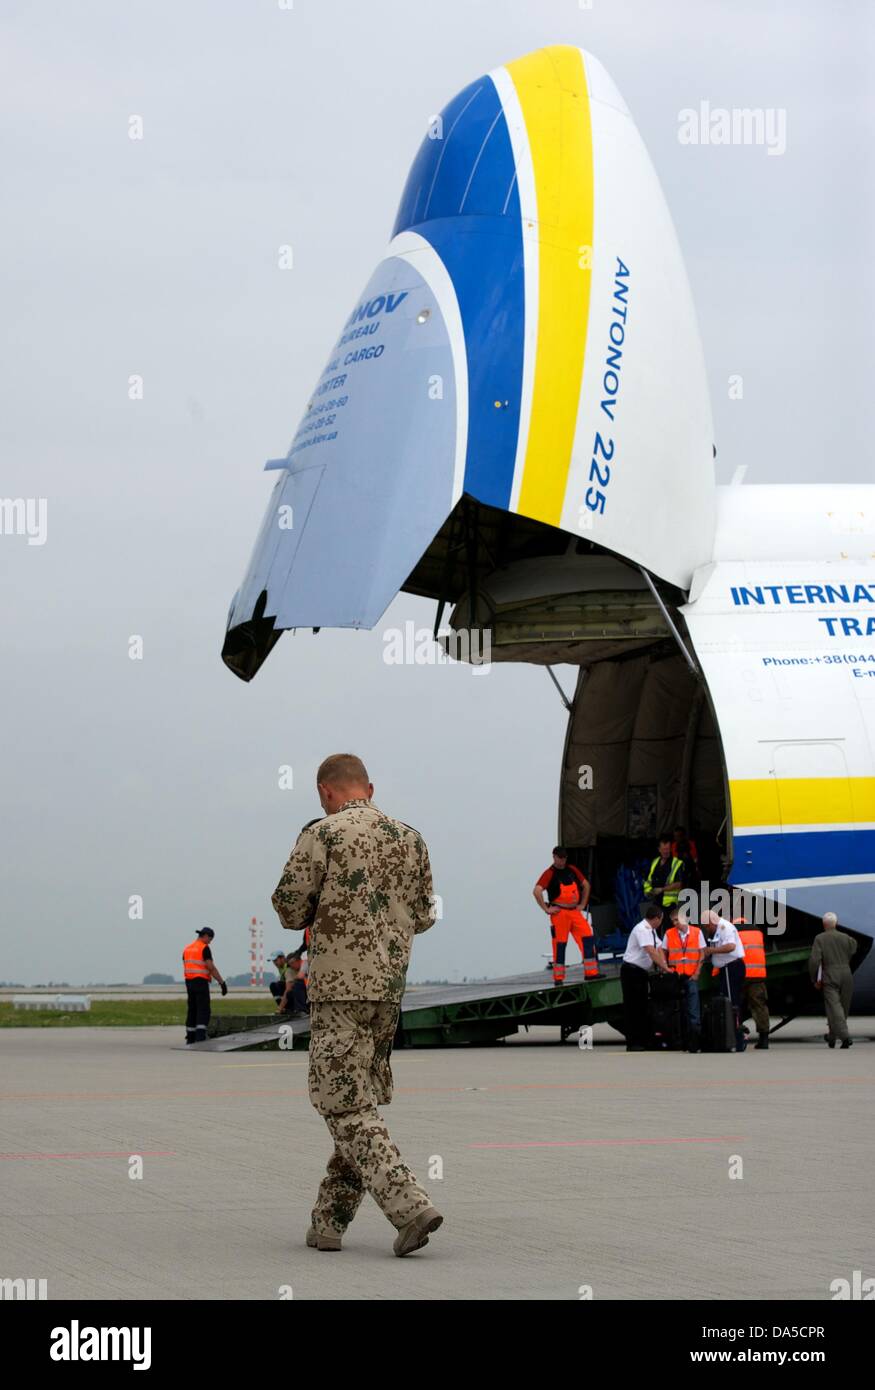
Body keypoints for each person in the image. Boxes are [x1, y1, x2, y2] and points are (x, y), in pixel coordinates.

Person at [271, 753, 442, 1257]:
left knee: (341, 1103)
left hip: (339, 990)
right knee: (358, 1099)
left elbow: (288, 907)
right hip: (388, 989)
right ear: (368, 786)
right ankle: (328, 1222)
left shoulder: (323, 834)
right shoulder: (410, 838)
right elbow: (425, 915)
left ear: (326, 792)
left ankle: (410, 1206)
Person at [533, 846, 597, 984]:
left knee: (587, 938)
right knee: (560, 945)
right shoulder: (549, 873)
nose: (562, 861)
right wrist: (546, 909)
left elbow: (586, 885)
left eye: (564, 858)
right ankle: (559, 978)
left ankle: (591, 973)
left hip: (575, 912)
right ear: (554, 857)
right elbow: (537, 891)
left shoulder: (572, 870)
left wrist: (582, 905)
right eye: (559, 858)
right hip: (559, 914)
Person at [620, 904, 671, 1051]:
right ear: (657, 918)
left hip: (640, 972)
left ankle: (643, 1040)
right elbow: (651, 951)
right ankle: (633, 1042)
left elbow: (659, 948)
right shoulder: (642, 929)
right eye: (661, 919)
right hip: (632, 971)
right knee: (633, 1008)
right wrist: (664, 967)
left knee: (642, 1006)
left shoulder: (651, 931)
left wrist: (664, 964)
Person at [810, 912, 857, 1048]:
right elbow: (854, 947)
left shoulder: (820, 938)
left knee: (834, 1007)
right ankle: (832, 1036)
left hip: (830, 975)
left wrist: (814, 979)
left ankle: (845, 1036)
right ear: (836, 923)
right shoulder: (846, 937)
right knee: (843, 1008)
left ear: (824, 924)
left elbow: (814, 961)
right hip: (846, 973)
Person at [662, 906, 706, 1051]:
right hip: (676, 978)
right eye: (673, 921)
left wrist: (697, 973)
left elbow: (702, 953)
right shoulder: (669, 934)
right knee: (678, 1011)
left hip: (691, 976)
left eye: (677, 920)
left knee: (693, 1011)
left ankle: (695, 1043)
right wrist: (666, 968)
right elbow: (663, 951)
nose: (675, 923)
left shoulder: (697, 932)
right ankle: (681, 1042)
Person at [703, 910, 747, 1052]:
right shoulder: (717, 929)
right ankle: (731, 1035)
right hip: (726, 968)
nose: (706, 929)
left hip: (731, 967)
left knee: (731, 1004)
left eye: (706, 926)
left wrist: (711, 951)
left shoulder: (725, 928)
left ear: (712, 923)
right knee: (728, 1003)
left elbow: (730, 946)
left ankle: (736, 1037)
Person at [182, 927, 227, 1044]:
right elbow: (210, 967)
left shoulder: (187, 948)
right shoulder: (204, 948)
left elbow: (189, 965)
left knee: (192, 1009)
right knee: (203, 1009)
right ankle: (200, 1037)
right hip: (200, 982)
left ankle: (190, 1037)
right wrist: (222, 982)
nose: (210, 942)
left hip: (189, 982)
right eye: (210, 939)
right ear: (206, 936)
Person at [736, 920, 770, 1049]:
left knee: (736, 1004)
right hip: (757, 974)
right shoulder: (757, 931)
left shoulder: (733, 930)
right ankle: (764, 1039)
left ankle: (737, 1033)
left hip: (740, 974)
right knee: (759, 1006)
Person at [642, 834, 684, 931]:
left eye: (668, 849)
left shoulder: (676, 863)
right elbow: (649, 880)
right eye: (664, 849)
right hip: (656, 903)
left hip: (670, 904)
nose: (666, 851)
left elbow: (679, 883)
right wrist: (648, 891)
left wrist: (662, 889)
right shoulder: (655, 862)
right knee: (654, 929)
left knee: (669, 930)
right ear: (659, 849)